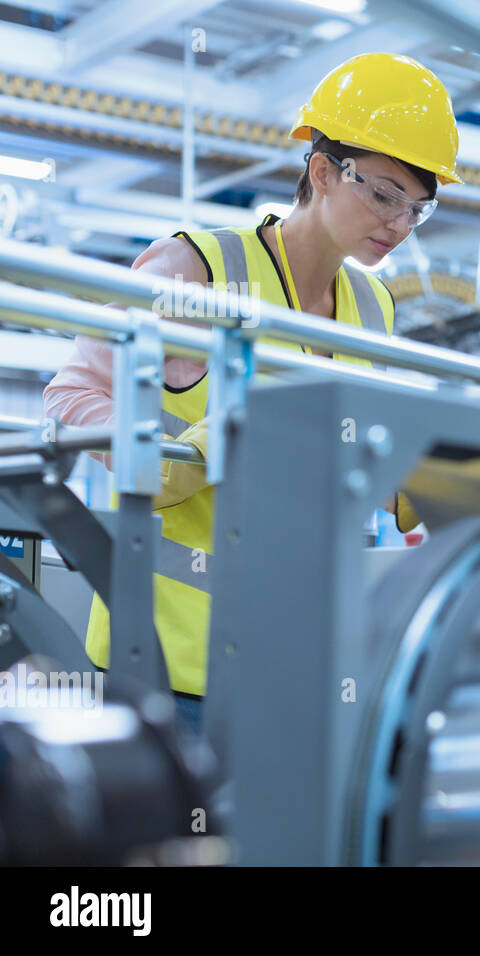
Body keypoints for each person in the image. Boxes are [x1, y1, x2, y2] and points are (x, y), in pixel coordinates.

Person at [42, 53, 458, 730]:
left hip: (295, 660)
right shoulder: (195, 270)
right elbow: (70, 398)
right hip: (166, 664)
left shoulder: (372, 304)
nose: (399, 225)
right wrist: (178, 456)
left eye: (419, 209)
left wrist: (418, 478)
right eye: (384, 195)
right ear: (322, 172)